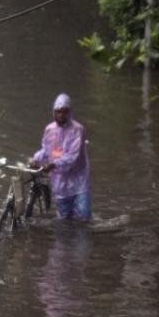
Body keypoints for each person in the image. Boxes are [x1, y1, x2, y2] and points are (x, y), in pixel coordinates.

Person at [31, 92, 91, 222]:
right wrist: (35, 159)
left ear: (69, 112)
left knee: (84, 219)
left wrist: (53, 164)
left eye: (64, 112)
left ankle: (83, 241)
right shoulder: (50, 129)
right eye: (58, 112)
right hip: (60, 183)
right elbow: (46, 150)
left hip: (78, 181)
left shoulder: (77, 130)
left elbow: (72, 156)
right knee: (64, 220)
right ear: (54, 112)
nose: (61, 115)